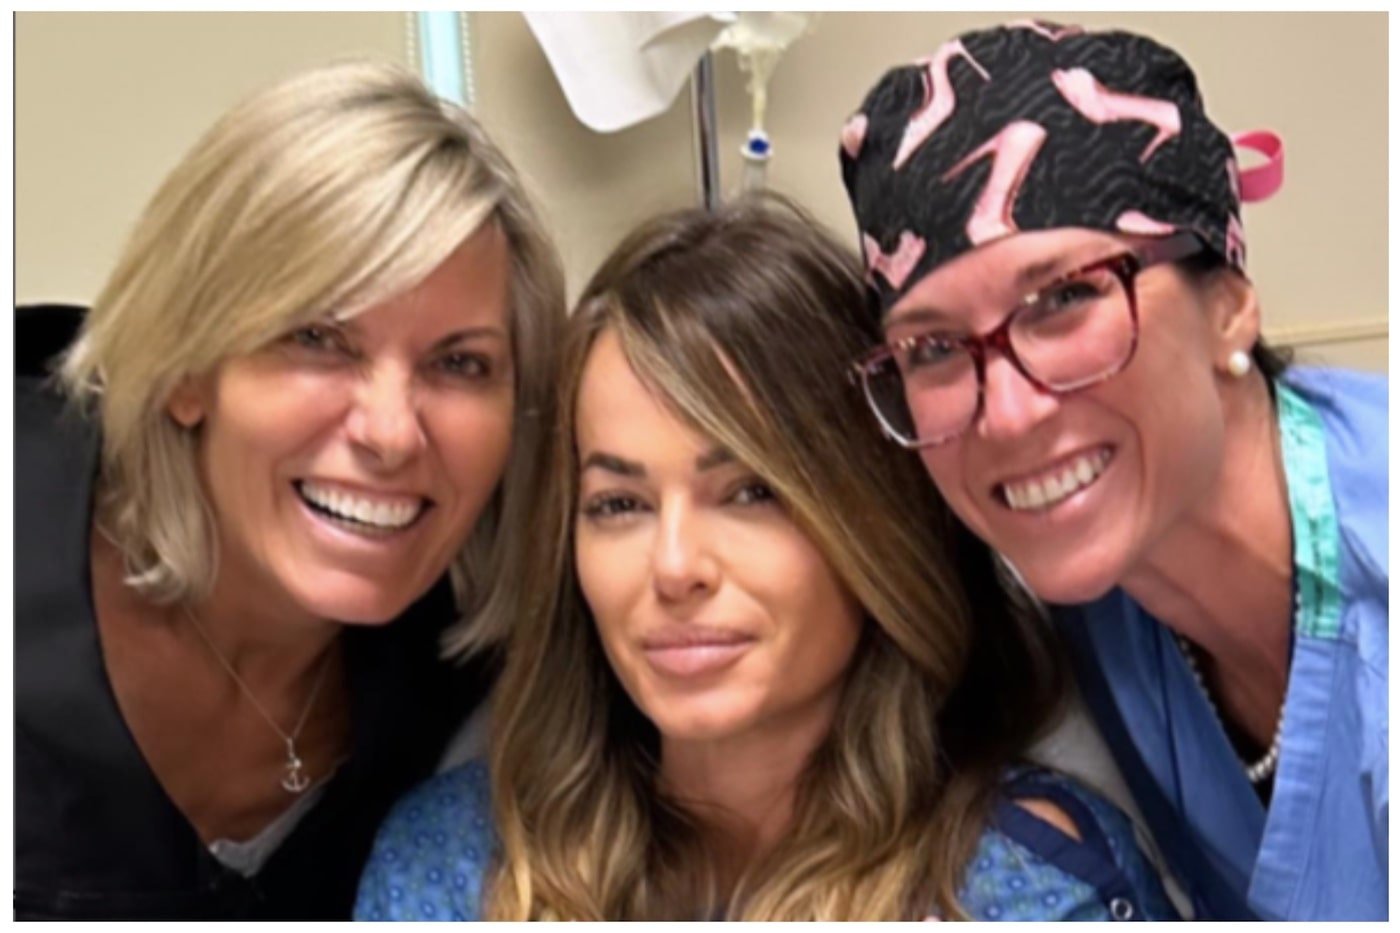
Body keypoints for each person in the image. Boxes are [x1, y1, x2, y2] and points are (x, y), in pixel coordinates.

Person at [355, 197, 1178, 921]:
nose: (674, 567)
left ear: (873, 520)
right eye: (619, 504)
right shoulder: (451, 864)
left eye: (751, 493)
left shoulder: (1024, 884)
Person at [837, 21, 1386, 921]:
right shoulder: (1089, 596)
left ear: (1230, 304)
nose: (1007, 413)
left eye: (1063, 297)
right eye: (932, 348)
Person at [15, 60, 565, 919]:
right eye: (317, 339)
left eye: (460, 363)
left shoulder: (478, 684)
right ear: (186, 369)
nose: (391, 432)